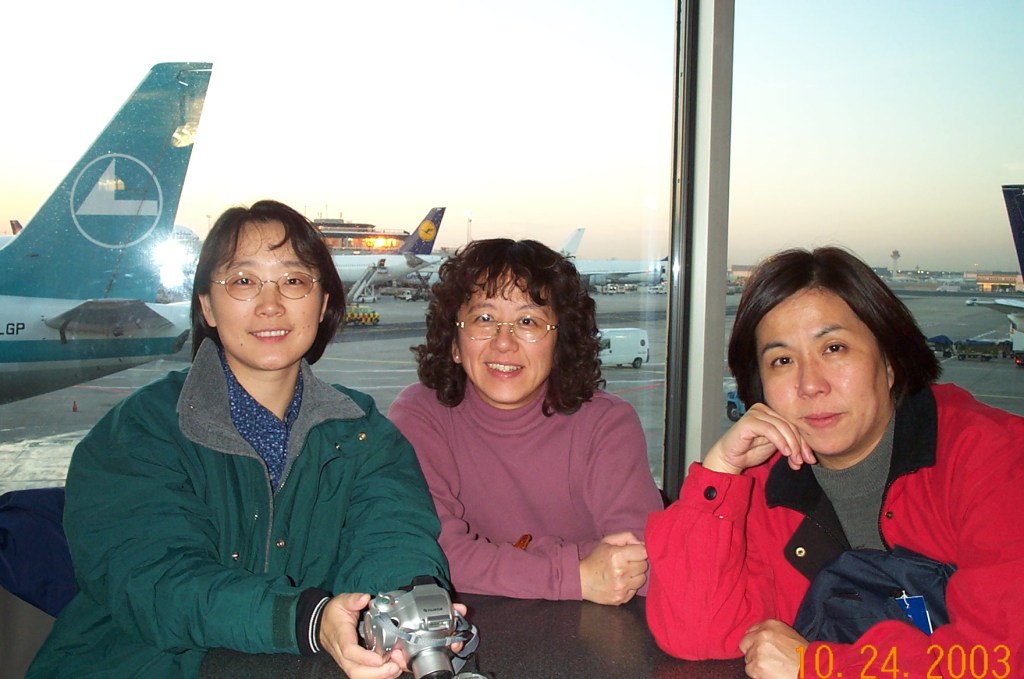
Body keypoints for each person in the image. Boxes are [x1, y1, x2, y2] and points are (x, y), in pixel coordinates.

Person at [28, 200, 453, 679]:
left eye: (294, 281)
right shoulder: (140, 431)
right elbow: (152, 579)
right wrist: (306, 620)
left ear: (323, 303)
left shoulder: (363, 431)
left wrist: (407, 605)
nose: (271, 304)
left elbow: (392, 534)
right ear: (207, 306)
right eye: (244, 281)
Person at [645, 246, 1024, 678]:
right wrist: (720, 473)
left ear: (890, 361)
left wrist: (821, 667)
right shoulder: (763, 486)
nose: (810, 384)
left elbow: (1004, 657)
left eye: (834, 348)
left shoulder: (990, 458)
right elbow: (696, 632)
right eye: (782, 360)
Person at [388, 238, 664, 605]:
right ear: (454, 343)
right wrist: (575, 573)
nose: (504, 342)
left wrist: (490, 560)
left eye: (528, 321)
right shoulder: (420, 415)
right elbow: (427, 553)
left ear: (559, 342)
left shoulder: (607, 425)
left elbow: (639, 565)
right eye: (484, 319)